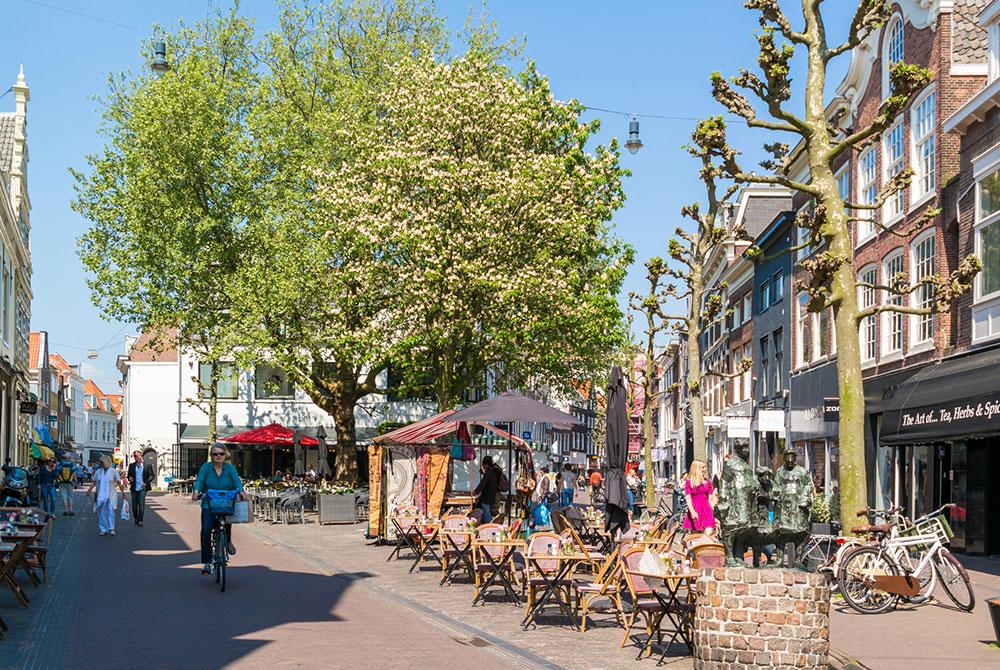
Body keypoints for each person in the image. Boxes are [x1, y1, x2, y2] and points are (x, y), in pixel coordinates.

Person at [192, 445, 246, 575]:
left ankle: (227, 542)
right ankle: (207, 561)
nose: (218, 456)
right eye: (215, 454)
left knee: (226, 524)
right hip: (208, 504)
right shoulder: (206, 467)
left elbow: (236, 481)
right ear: (211, 456)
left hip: (226, 502)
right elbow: (199, 481)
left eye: (221, 453)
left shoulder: (230, 468)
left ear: (225, 455)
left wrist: (242, 491)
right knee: (206, 530)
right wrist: (196, 492)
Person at [87, 456, 121, 536]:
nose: (100, 464)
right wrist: (90, 490)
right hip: (100, 495)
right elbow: (94, 482)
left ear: (106, 462)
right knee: (101, 512)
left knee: (110, 511)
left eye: (102, 462)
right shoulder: (98, 472)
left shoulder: (113, 471)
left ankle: (112, 528)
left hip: (111, 494)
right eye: (100, 462)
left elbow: (119, 482)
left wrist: (123, 492)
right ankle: (103, 529)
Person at [683, 460, 717, 535]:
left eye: (705, 467)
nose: (705, 469)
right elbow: (688, 498)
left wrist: (715, 512)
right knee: (695, 536)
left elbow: (710, 499)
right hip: (695, 510)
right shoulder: (689, 482)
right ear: (697, 469)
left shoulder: (707, 482)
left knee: (708, 534)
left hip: (707, 511)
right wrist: (692, 511)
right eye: (703, 467)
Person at [127, 451, 155, 527]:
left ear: (141, 456)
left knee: (141, 504)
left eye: (137, 456)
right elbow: (129, 475)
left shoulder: (147, 465)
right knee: (134, 505)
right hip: (134, 488)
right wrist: (130, 478)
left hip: (143, 488)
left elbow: (152, 475)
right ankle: (136, 518)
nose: (136, 457)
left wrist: (146, 482)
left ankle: (140, 520)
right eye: (135, 456)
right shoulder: (131, 465)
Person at [473, 455, 501, 523]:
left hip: (487, 496)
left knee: (486, 512)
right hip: (493, 495)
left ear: (486, 464)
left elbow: (483, 484)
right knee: (490, 511)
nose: (483, 466)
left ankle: (488, 526)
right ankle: (491, 524)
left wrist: (475, 491)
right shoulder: (495, 471)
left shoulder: (489, 473)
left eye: (483, 464)